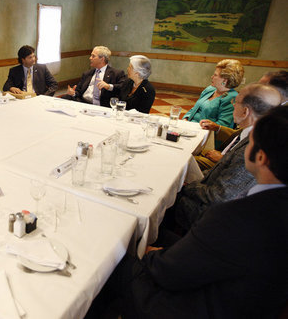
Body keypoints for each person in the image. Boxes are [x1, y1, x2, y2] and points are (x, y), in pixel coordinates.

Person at [91, 105, 288, 319]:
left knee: (109, 255)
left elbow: (168, 273)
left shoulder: (237, 217)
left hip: (194, 307)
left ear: (261, 158)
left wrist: (149, 254)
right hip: (249, 295)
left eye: (249, 142)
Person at [173, 84, 281, 230]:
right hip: (209, 196)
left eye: (235, 102)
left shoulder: (253, 147)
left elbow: (220, 196)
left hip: (208, 216)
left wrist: (187, 186)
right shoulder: (250, 135)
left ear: (245, 111)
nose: (232, 106)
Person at [183, 59, 244, 127]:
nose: (212, 77)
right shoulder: (210, 89)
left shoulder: (232, 98)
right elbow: (195, 108)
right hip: (190, 126)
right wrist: (186, 119)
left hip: (206, 133)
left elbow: (223, 126)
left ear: (225, 80)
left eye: (215, 75)